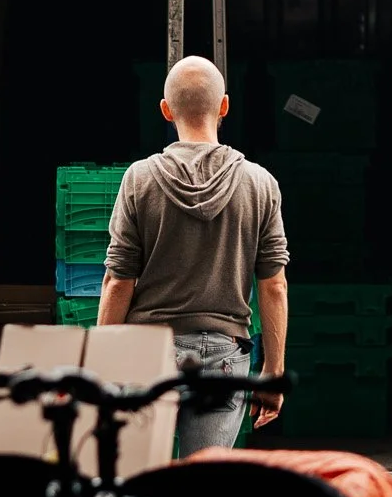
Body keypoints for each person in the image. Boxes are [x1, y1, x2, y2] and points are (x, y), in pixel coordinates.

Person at [98, 55, 289, 456]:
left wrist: (100, 362)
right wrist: (273, 372)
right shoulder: (260, 184)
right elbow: (273, 285)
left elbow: (118, 280)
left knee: (137, 479)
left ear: (166, 111)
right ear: (224, 107)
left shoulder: (140, 178)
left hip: (148, 351)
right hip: (225, 356)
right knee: (204, 489)